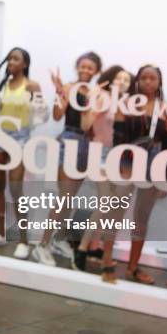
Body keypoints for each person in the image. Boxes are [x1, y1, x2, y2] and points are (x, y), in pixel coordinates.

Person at [32, 52, 102, 267]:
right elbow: (56, 115)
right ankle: (42, 245)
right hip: (69, 140)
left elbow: (89, 126)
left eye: (90, 68)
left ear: (96, 71)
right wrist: (60, 91)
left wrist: (94, 98)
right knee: (64, 198)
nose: (86, 70)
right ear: (77, 67)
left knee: (70, 200)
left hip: (86, 145)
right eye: (83, 66)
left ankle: (58, 241)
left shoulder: (96, 92)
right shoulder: (69, 88)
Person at [0, 48, 44, 260]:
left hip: (20, 138)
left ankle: (23, 241)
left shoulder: (31, 85)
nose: (11, 62)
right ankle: (1, 233)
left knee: (16, 189)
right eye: (9, 58)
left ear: (25, 64)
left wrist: (38, 94)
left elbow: (42, 116)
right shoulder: (1, 85)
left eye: (16, 59)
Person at [73, 66, 135, 274]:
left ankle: (93, 247)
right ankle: (82, 248)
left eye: (127, 80)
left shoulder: (129, 104)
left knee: (108, 206)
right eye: (119, 79)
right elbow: (85, 125)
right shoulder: (103, 97)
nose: (122, 83)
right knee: (105, 204)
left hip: (118, 158)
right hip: (100, 154)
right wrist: (91, 103)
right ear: (111, 81)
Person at [124, 64, 167, 285]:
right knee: (114, 211)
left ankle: (132, 268)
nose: (147, 82)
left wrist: (166, 176)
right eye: (143, 78)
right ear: (137, 81)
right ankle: (103, 258)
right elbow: (121, 135)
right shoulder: (128, 104)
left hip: (155, 161)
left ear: (159, 82)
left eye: (152, 78)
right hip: (128, 159)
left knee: (141, 217)